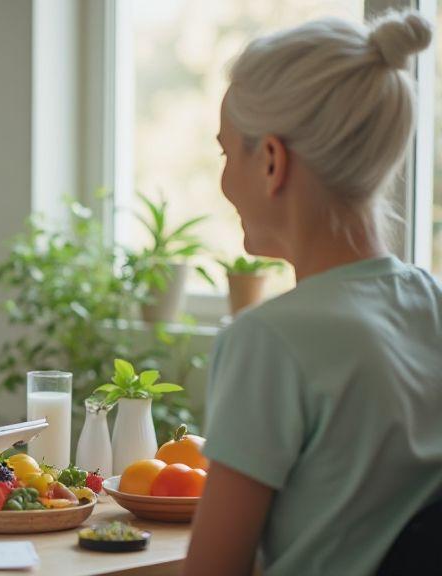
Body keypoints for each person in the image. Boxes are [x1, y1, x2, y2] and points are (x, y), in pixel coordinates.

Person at [184, 11, 442, 576]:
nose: (225, 180)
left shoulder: (268, 341)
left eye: (228, 153)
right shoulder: (432, 304)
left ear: (272, 161)